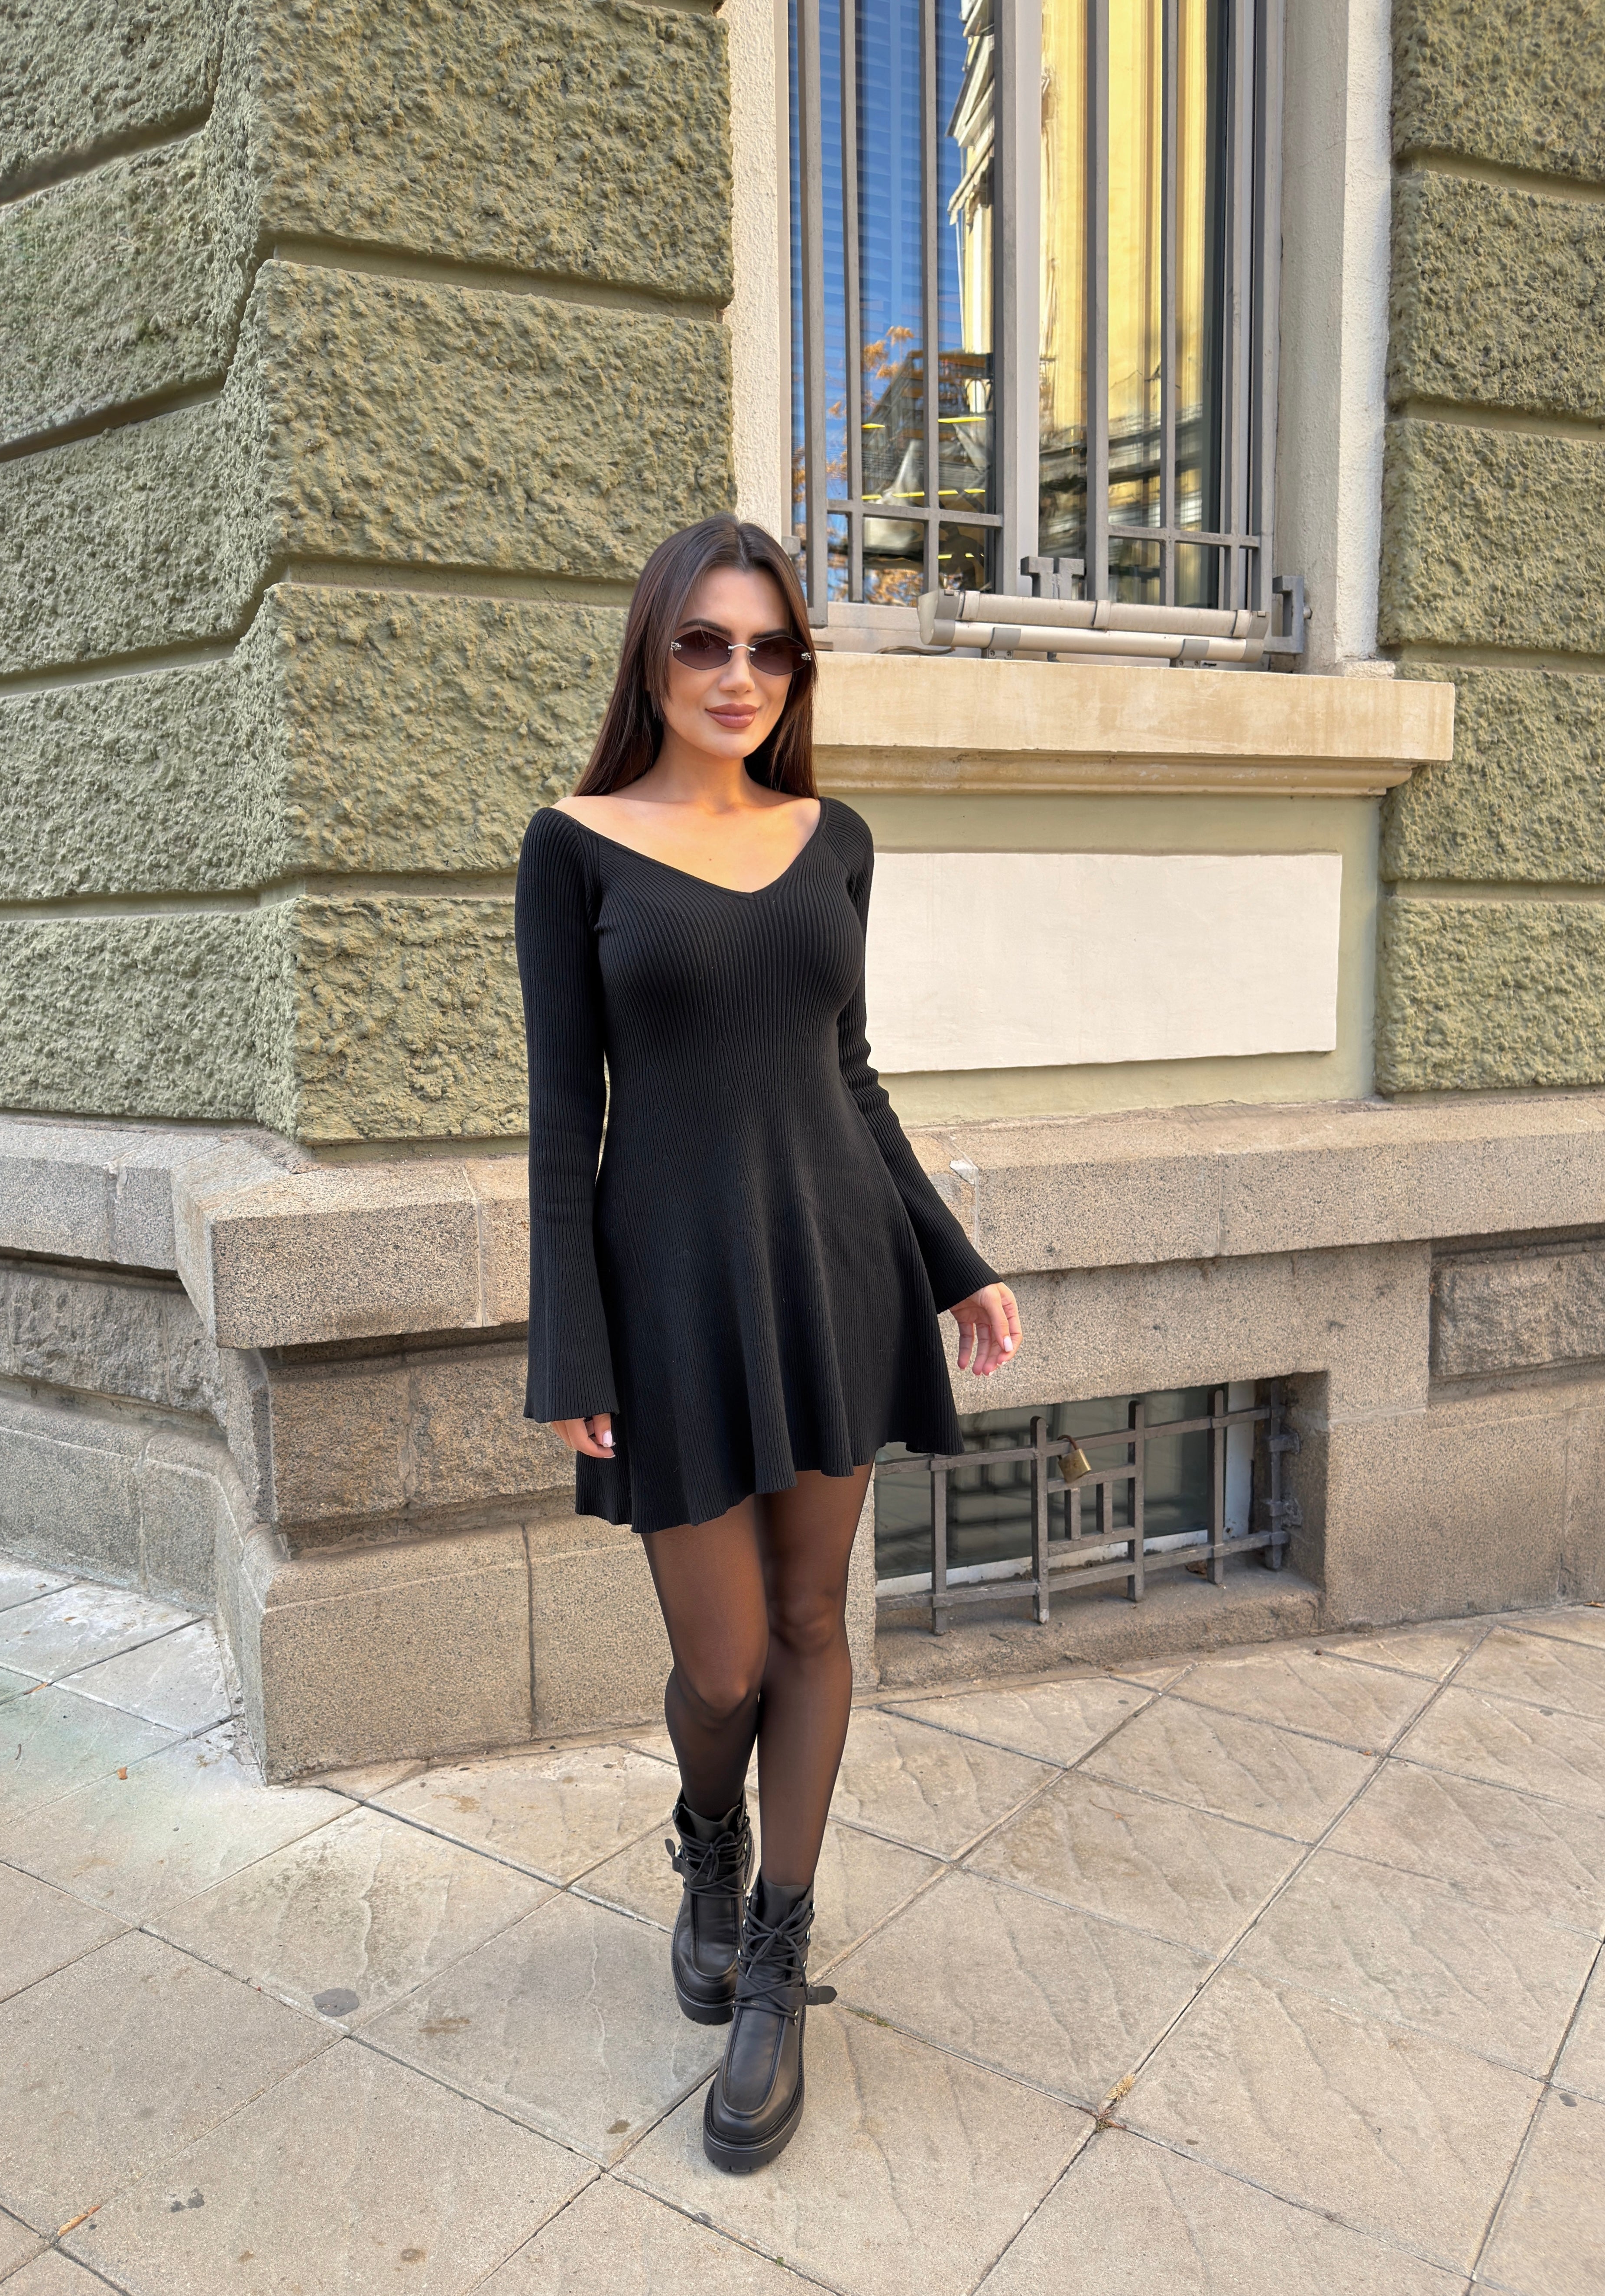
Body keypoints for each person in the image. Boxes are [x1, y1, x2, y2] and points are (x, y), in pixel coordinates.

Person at [515, 516, 1020, 2172]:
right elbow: (562, 1119)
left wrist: (951, 1262)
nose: (739, 676)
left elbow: (847, 1074)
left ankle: (777, 1970)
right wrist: (570, 1347)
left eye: (771, 648)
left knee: (811, 1622)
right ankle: (707, 1839)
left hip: (833, 1275)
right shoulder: (574, 847)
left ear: (797, 670)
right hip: (668, 1294)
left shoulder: (833, 840)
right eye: (706, 643)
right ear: (653, 656)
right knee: (724, 1662)